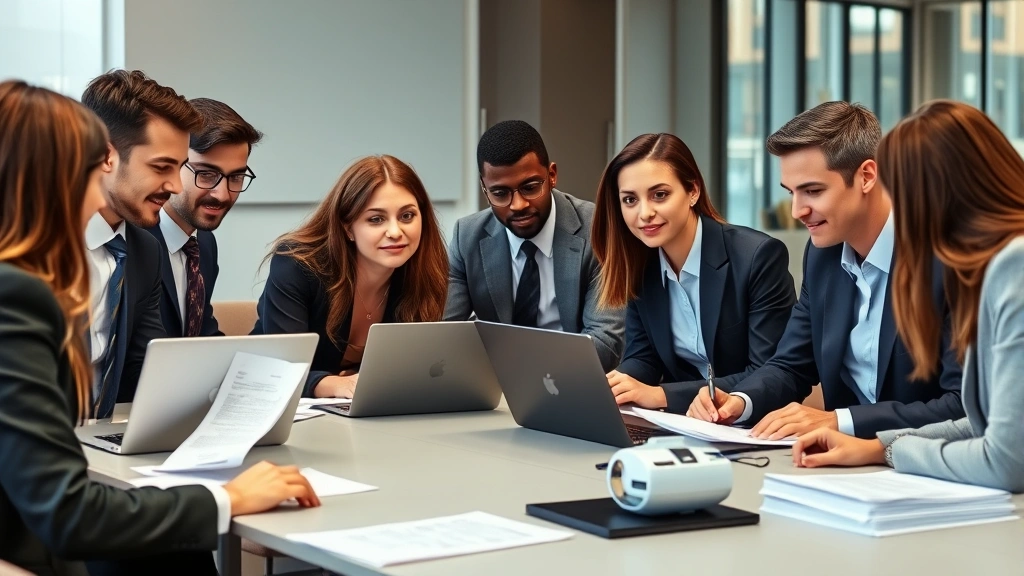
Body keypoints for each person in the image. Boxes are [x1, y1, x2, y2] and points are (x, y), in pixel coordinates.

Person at [0, 79, 319, 576]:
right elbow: (64, 511)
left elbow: (149, 369)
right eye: (90, 166)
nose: (176, 186)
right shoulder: (17, 292)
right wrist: (226, 499)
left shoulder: (128, 252)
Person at [687, 102, 963, 440]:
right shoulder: (823, 257)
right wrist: (739, 401)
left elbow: (960, 406)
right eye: (791, 192)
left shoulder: (945, 260)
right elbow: (791, 364)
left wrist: (840, 421)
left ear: (866, 176)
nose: (797, 210)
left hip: (928, 469)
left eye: (813, 191)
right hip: (842, 467)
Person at [792, 101, 1024, 493]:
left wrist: (892, 453)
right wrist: (875, 447)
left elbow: (1005, 462)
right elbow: (986, 422)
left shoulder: (1013, 266)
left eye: (902, 194)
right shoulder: (992, 265)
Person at [591, 133, 796, 413]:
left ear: (693, 192)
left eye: (659, 195)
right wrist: (619, 384)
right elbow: (644, 358)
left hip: (748, 422)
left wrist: (661, 396)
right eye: (630, 200)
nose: (644, 213)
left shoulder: (758, 257)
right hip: (682, 422)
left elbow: (768, 370)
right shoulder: (639, 263)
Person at [251, 155, 448, 398]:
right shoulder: (297, 265)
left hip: (371, 412)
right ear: (348, 228)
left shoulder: (426, 271)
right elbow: (282, 368)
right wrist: (332, 384)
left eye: (407, 216)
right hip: (279, 407)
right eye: (376, 219)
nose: (396, 232)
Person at [444, 120, 624, 370]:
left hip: (575, 381)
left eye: (530, 188)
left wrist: (517, 366)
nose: (518, 205)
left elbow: (606, 342)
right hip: (497, 390)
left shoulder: (598, 229)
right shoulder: (467, 237)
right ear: (485, 190)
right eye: (500, 194)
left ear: (551, 176)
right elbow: (444, 334)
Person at [80, 70, 197, 418]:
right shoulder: (30, 245)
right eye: (162, 167)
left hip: (99, 445)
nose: (177, 186)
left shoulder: (146, 251)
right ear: (105, 156)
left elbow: (143, 369)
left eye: (180, 168)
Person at [148, 98, 262, 337]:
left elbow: (202, 337)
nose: (222, 194)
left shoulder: (204, 244)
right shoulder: (131, 242)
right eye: (207, 174)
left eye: (236, 177)